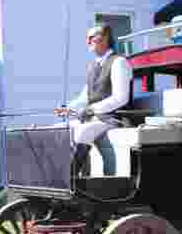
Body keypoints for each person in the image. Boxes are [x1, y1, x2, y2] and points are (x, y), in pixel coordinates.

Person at [55, 24, 132, 176]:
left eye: (92, 37)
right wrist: (69, 109)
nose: (88, 41)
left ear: (105, 39)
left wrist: (92, 109)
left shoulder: (119, 62)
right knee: (58, 129)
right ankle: (57, 177)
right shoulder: (92, 66)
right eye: (87, 38)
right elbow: (85, 98)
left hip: (113, 119)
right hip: (93, 119)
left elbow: (121, 98)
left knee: (82, 131)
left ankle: (70, 180)